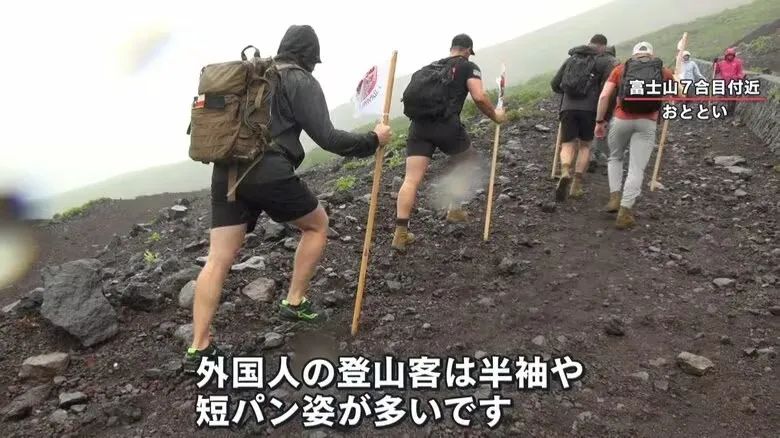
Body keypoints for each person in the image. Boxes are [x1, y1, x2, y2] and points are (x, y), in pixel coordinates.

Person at [183, 24, 392, 373]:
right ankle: (294, 302)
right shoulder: (300, 80)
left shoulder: (254, 78)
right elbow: (327, 138)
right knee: (317, 225)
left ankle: (199, 348)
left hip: (227, 170)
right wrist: (373, 140)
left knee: (218, 258)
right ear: (310, 57)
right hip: (268, 168)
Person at [391, 34, 506, 252]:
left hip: (418, 127)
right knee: (467, 160)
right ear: (468, 50)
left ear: (452, 48)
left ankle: (401, 233)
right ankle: (454, 208)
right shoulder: (468, 67)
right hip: (447, 126)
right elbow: (479, 97)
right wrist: (496, 116)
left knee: (410, 179)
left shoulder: (429, 68)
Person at [595, 41, 677, 229]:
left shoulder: (620, 69)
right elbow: (679, 95)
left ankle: (614, 197)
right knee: (636, 168)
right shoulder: (662, 71)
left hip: (621, 119)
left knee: (614, 158)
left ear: (633, 55)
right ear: (651, 54)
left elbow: (604, 96)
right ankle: (625, 211)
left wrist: (600, 122)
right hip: (647, 122)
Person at [551, 34, 617, 201]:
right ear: (602, 47)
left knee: (567, 144)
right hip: (589, 109)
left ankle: (565, 170)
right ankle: (576, 185)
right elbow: (606, 88)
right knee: (585, 146)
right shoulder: (602, 61)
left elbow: (554, 83)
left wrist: (566, 94)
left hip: (567, 108)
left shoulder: (571, 59)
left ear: (589, 43)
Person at [589, 45, 618, 172]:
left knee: (591, 126)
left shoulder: (593, 60)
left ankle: (590, 155)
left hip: (590, 99)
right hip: (608, 100)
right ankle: (604, 156)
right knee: (603, 126)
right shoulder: (616, 63)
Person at [714, 47, 746, 115]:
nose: (730, 57)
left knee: (732, 97)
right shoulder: (721, 63)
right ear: (726, 55)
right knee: (724, 98)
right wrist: (715, 63)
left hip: (733, 82)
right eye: (729, 55)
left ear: (734, 55)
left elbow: (740, 72)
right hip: (724, 83)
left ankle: (731, 111)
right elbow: (716, 71)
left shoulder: (737, 62)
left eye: (731, 55)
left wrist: (739, 78)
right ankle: (726, 110)